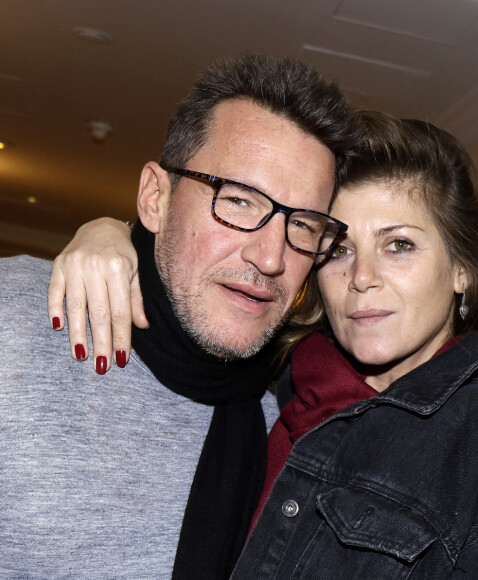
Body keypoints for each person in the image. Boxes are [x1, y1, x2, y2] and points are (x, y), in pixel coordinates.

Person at [52, 111, 478, 577]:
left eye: (399, 245)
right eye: (341, 249)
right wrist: (113, 233)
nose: (363, 278)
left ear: (463, 268)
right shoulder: (279, 373)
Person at [0, 54, 361, 579]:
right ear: (155, 199)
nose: (270, 257)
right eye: (238, 201)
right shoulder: (14, 322)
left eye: (303, 225)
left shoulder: (295, 422)